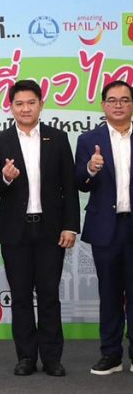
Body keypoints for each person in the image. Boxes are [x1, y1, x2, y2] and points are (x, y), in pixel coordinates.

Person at [0, 79, 80, 377]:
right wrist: (6, 177)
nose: (25, 108)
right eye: (19, 104)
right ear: (10, 107)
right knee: (21, 296)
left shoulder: (58, 138)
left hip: (51, 230)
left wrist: (70, 226)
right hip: (16, 231)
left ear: (41, 104)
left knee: (49, 295)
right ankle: (26, 357)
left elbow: (69, 187)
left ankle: (52, 358)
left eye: (31, 103)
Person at [75, 80, 133, 375]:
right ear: (103, 105)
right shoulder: (89, 140)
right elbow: (79, 181)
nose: (118, 105)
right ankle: (111, 354)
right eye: (112, 100)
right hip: (106, 228)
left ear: (131, 105)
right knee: (109, 293)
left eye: (124, 99)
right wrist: (91, 168)